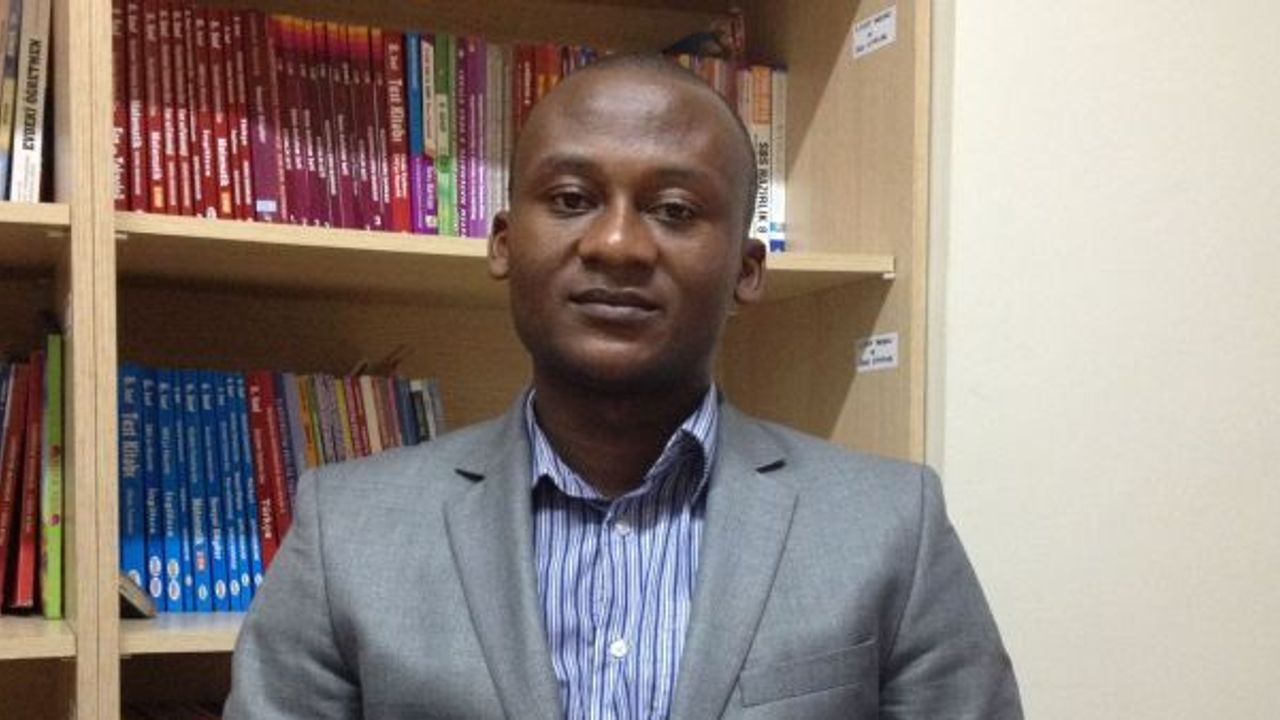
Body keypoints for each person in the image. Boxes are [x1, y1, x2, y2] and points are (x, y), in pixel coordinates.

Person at [226, 53, 1023, 720]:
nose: (616, 244)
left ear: (747, 271)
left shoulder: (891, 526)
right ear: (503, 244)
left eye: (674, 210)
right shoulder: (346, 532)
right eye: (572, 200)